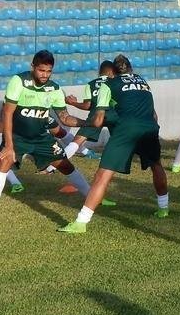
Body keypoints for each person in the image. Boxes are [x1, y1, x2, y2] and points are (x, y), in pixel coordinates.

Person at [0, 50, 98, 230]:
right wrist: (9, 145)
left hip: (41, 138)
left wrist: (90, 123)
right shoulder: (18, 81)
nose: (45, 75)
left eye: (48, 71)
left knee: (66, 166)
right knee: (3, 164)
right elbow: (8, 113)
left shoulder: (55, 89)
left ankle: (92, 197)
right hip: (17, 137)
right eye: (41, 70)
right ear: (33, 67)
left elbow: (65, 118)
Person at [58, 54, 170, 233]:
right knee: (156, 166)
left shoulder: (108, 85)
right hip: (150, 127)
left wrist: (83, 123)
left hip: (126, 129)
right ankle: (164, 208)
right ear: (131, 69)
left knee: (103, 174)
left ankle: (81, 222)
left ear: (112, 73)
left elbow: (98, 120)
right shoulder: (143, 82)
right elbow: (154, 114)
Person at [62, 60, 118, 161]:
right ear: (111, 72)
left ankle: (51, 167)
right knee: (122, 139)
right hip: (114, 114)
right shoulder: (116, 82)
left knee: (77, 141)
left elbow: (87, 105)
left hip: (96, 115)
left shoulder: (90, 84)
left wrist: (73, 103)